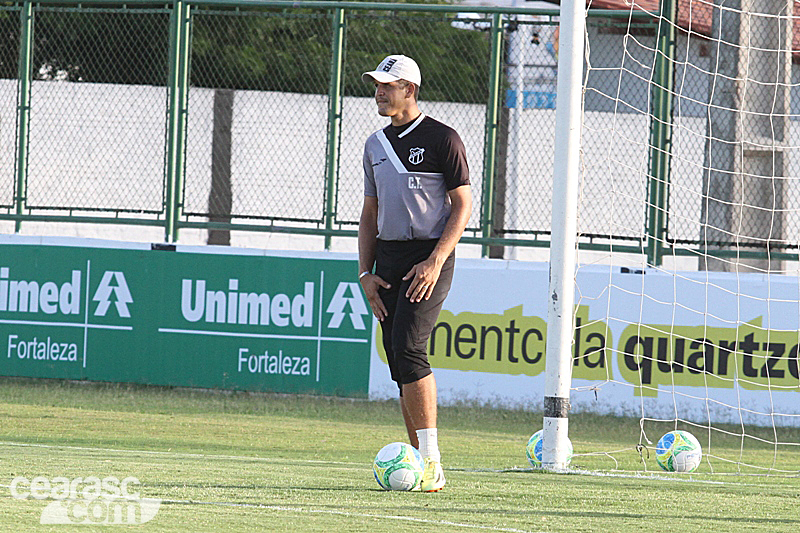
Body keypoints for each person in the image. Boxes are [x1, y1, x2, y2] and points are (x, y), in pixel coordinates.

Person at [358, 55, 472, 492]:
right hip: (387, 259)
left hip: (430, 255)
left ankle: (431, 463)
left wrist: (436, 259)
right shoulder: (373, 145)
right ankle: (419, 464)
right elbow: (370, 212)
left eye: (388, 85)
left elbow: (462, 205)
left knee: (408, 347)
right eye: (377, 85)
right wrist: (365, 273)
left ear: (411, 89)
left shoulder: (443, 138)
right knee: (396, 357)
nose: (379, 91)